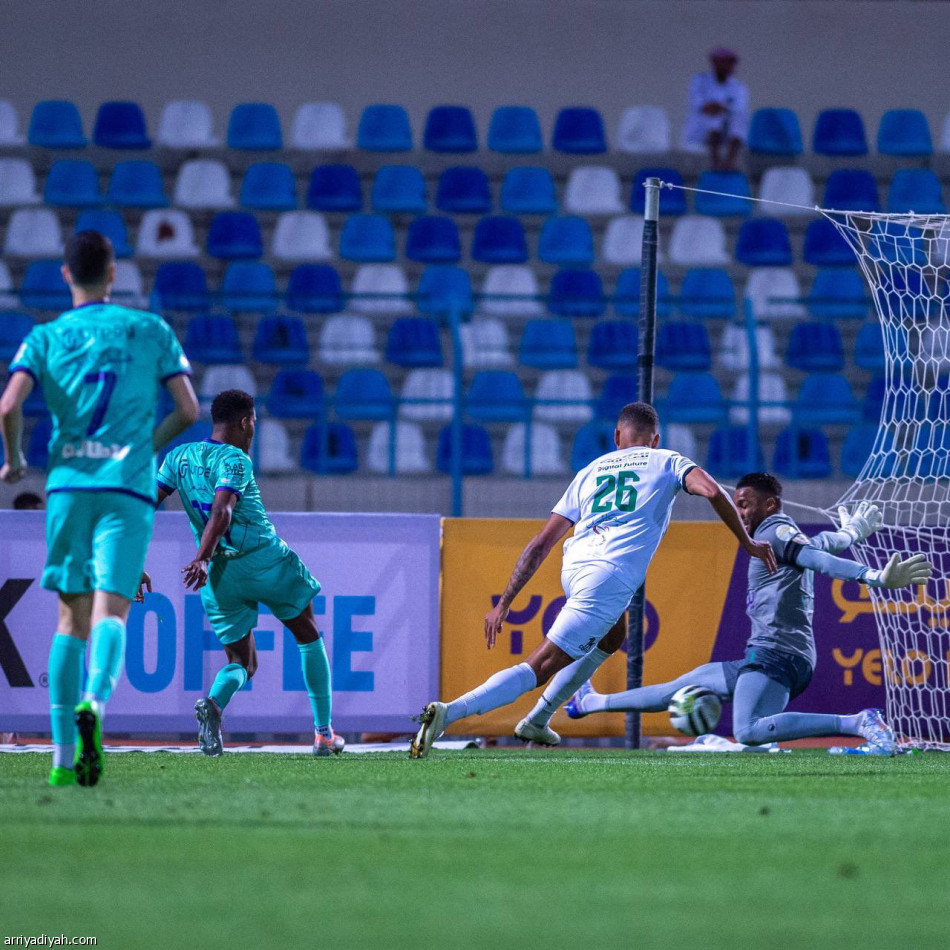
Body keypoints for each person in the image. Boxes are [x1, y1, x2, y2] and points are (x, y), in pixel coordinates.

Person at [409, 402, 778, 759]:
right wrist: (746, 541)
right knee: (540, 666)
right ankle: (448, 713)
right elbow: (712, 491)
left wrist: (505, 602)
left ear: (618, 435)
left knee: (614, 634)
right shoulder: (667, 459)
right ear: (655, 438)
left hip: (575, 566)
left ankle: (538, 719)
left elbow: (541, 543)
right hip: (608, 575)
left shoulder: (590, 470)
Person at [0, 230, 199, 788]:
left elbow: (9, 403)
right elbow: (189, 408)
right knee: (112, 611)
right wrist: (146, 447)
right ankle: (95, 702)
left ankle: (64, 757)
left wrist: (14, 460)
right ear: (114, 275)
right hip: (127, 488)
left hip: (68, 488)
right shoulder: (148, 329)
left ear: (65, 275)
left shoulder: (45, 336)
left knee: (70, 618)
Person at [564, 473, 933, 755]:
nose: (738, 512)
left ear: (770, 505)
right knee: (686, 689)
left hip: (777, 654)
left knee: (748, 730)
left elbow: (819, 560)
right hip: (772, 654)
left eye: (744, 504)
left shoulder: (774, 531)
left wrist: (870, 576)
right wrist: (851, 533)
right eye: (736, 504)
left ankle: (857, 722)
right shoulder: (780, 536)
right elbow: (820, 544)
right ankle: (590, 703)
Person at [149, 389, 343, 757]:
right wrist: (202, 557)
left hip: (221, 577)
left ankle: (215, 704)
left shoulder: (177, 456)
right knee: (307, 632)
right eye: (253, 422)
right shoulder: (236, 460)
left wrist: (133, 560)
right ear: (244, 422)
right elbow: (222, 511)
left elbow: (145, 506)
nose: (253, 430)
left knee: (242, 662)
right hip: (263, 560)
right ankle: (323, 734)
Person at [682, 47, 749, 171]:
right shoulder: (699, 81)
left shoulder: (739, 87)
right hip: (701, 131)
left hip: (727, 132)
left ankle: (729, 161)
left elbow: (737, 109)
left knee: (738, 120)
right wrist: (718, 108)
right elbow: (700, 105)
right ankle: (716, 162)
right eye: (724, 62)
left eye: (731, 62)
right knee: (714, 120)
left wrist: (719, 107)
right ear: (715, 62)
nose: (728, 66)